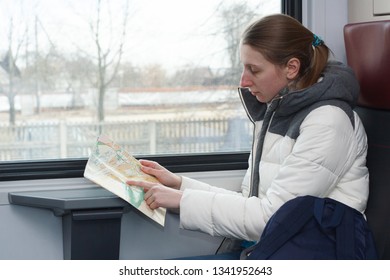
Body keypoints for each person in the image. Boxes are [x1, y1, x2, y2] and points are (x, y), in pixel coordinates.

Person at [126, 14, 370, 258]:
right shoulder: (276, 112)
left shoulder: (328, 122)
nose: (243, 81)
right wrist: (179, 184)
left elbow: (271, 217)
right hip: (273, 248)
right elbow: (251, 201)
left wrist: (181, 200)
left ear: (291, 68)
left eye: (254, 69)